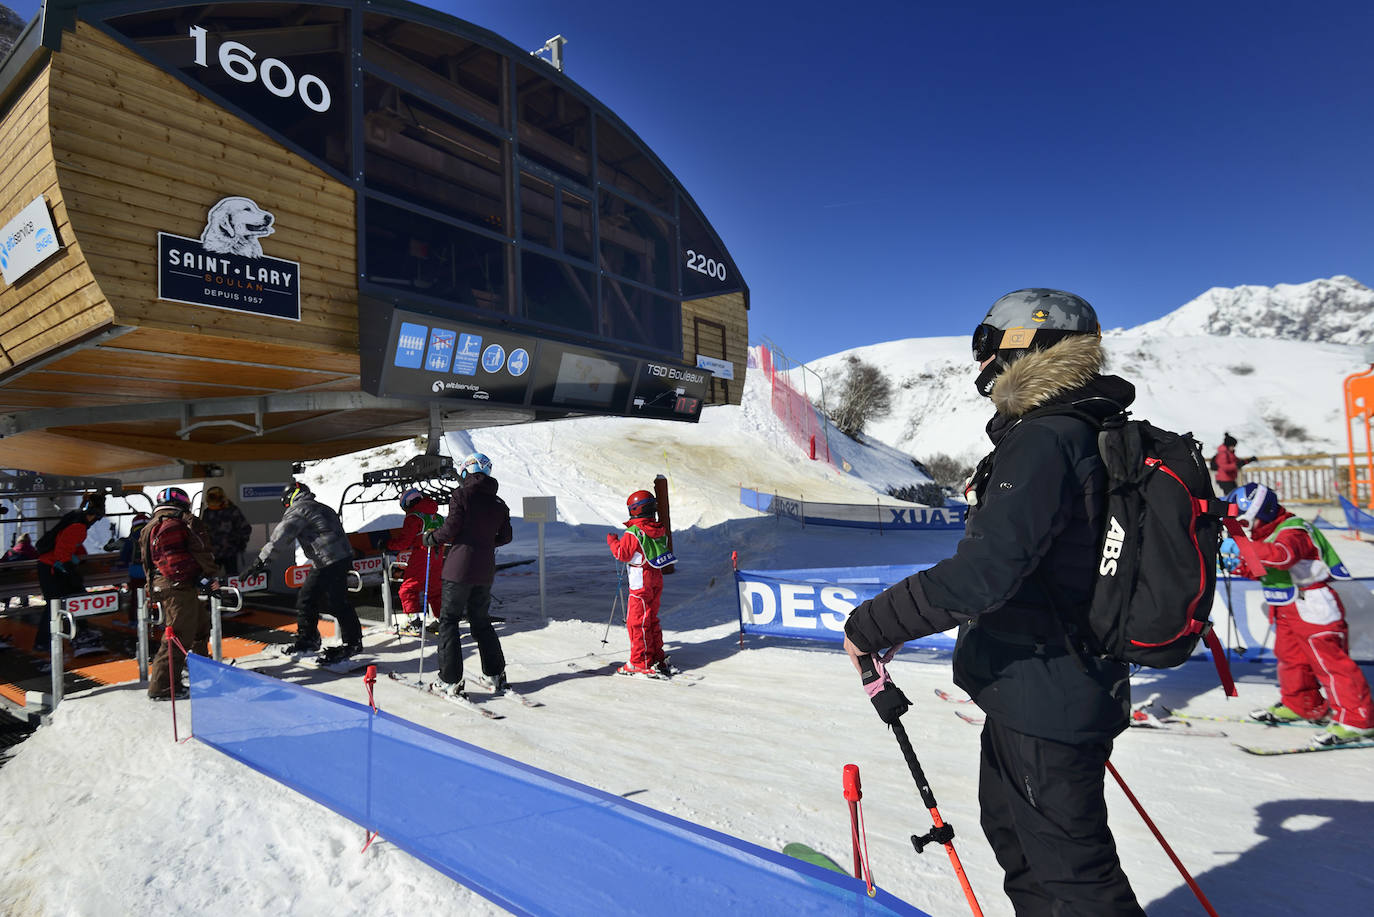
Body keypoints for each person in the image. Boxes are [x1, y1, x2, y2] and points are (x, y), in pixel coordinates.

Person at [842, 289, 1145, 916]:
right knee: (1022, 846)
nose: (979, 363)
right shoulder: (1081, 429)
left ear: (1023, 346)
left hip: (1048, 689)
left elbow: (984, 572)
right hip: (1039, 684)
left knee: (1073, 879)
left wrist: (870, 624)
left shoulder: (1047, 437)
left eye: (986, 345)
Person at [1223, 483, 1374, 747]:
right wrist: (1238, 565)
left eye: (1246, 520)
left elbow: (1283, 556)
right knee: (1291, 658)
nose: (1243, 527)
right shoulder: (1265, 533)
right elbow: (1264, 568)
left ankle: (1358, 720)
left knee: (1330, 663)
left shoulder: (1294, 529)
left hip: (1314, 604)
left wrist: (1245, 549)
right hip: (1288, 605)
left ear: (1264, 513)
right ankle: (1302, 704)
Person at [422, 453, 512, 698]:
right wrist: (483, 541)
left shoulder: (461, 495)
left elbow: (451, 527)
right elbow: (505, 537)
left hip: (459, 568)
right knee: (480, 621)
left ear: (466, 472)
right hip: (485, 568)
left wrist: (432, 537)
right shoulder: (499, 503)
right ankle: (494, 674)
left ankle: (449, 680)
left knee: (449, 621)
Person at [245, 482, 363, 665]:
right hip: (333, 558)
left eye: (286, 503)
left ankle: (352, 643)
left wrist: (260, 562)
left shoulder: (300, 509)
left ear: (291, 497)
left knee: (335, 601)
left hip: (329, 560)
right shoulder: (322, 507)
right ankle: (309, 639)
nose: (287, 506)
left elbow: (281, 536)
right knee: (308, 598)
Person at [139, 488, 218, 701]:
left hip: (173, 586)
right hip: (177, 587)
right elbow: (176, 560)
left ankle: (200, 669)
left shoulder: (154, 525)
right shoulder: (174, 524)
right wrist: (203, 578)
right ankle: (162, 687)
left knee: (200, 627)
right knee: (177, 636)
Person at [606, 490, 674, 677]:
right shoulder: (659, 528)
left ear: (635, 510)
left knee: (636, 622)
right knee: (650, 619)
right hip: (655, 579)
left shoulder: (634, 532)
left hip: (640, 581)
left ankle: (640, 661)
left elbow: (623, 554)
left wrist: (613, 542)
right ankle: (656, 656)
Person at [33, 494, 107, 656]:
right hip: (52, 568)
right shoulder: (78, 527)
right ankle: (43, 642)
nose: (96, 521)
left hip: (52, 565)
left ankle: (81, 630)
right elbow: (62, 552)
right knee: (54, 605)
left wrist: (72, 561)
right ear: (94, 515)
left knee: (76, 597)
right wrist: (69, 570)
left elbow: (65, 545)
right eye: (98, 517)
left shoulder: (74, 517)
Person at [383, 488, 444, 636]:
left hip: (421, 556)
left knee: (408, 589)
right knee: (434, 590)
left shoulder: (414, 518)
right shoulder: (438, 517)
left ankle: (414, 622)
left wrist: (388, 544)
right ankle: (442, 620)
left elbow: (404, 542)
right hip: (437, 557)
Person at [199, 486, 252, 577]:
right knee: (211, 580)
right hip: (213, 554)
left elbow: (246, 528)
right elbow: (203, 532)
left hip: (230, 552)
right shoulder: (207, 513)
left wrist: (240, 543)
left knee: (232, 578)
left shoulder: (232, 511)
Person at [116, 512, 151, 626]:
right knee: (151, 595)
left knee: (135, 597)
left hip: (135, 572)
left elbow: (124, 559)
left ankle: (134, 620)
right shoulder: (151, 536)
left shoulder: (130, 540)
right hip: (150, 572)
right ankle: (152, 617)